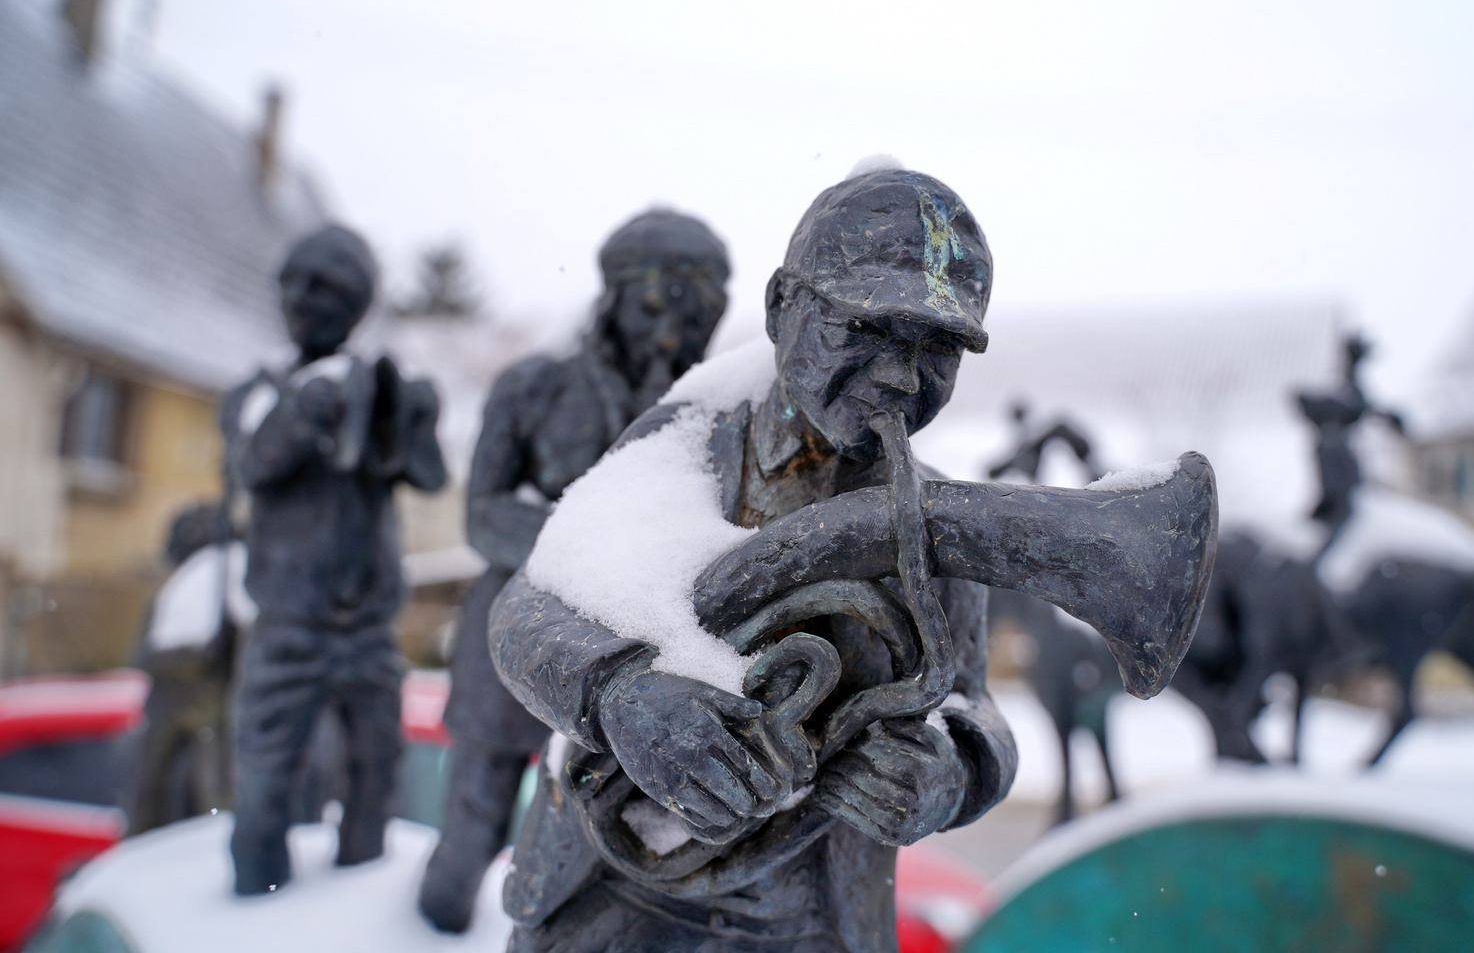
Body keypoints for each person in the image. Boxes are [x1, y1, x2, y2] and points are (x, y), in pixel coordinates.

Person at [490, 167, 1019, 952]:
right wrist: (622, 696)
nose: (901, 376)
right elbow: (526, 611)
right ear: (781, 308)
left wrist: (953, 772)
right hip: (614, 896)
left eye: (939, 347)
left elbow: (973, 704)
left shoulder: (935, 519)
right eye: (865, 329)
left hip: (808, 921)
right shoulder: (685, 441)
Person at [417, 210, 730, 933]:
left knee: (610, 853)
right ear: (613, 297)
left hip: (632, 657)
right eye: (656, 307)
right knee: (475, 828)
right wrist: (589, 539)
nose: (670, 335)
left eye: (696, 317)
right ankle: (430, 933)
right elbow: (484, 515)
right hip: (512, 637)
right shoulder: (534, 387)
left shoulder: (706, 415)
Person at [222, 224, 446, 896]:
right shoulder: (262, 387)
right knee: (265, 777)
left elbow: (430, 476)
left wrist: (413, 420)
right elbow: (250, 466)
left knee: (376, 771)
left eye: (323, 288)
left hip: (368, 631)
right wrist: (299, 413)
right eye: (292, 283)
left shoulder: (372, 385)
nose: (302, 299)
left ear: (356, 302)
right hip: (289, 628)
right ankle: (255, 900)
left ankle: (355, 896)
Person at [125, 501, 254, 834]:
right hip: (203, 692)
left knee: (162, 782)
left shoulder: (206, 573)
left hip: (182, 685)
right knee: (212, 787)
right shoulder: (225, 568)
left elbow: (146, 649)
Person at [1295, 333, 1405, 538]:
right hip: (1332, 445)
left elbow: (1364, 405)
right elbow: (1357, 404)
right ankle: (1326, 525)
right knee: (1341, 491)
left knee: (1349, 487)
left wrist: (1388, 417)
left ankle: (1329, 521)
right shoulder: (1346, 385)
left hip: (1334, 444)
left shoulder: (1352, 382)